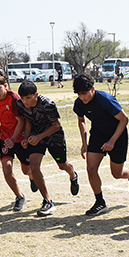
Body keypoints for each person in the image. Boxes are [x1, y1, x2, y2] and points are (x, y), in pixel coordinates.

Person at [73, 74, 129, 216]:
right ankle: (100, 202)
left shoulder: (105, 100)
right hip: (98, 134)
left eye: (85, 93)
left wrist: (112, 141)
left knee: (117, 173)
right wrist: (84, 142)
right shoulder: (79, 103)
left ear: (92, 89)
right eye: (79, 94)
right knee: (91, 168)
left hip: (117, 135)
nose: (82, 97)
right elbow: (81, 120)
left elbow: (124, 120)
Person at [17, 80, 79, 216]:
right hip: (36, 135)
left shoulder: (47, 104)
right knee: (33, 167)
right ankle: (47, 201)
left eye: (28, 98)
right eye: (22, 98)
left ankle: (73, 175)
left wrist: (39, 136)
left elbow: (56, 125)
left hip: (53, 135)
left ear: (36, 95)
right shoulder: (20, 104)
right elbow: (27, 119)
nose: (25, 101)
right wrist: (26, 137)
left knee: (62, 165)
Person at [0, 70, 35, 211]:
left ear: (5, 86)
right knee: (6, 169)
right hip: (5, 138)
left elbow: (21, 121)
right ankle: (19, 196)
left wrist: (14, 139)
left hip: (19, 138)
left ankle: (32, 177)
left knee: (26, 170)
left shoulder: (14, 99)